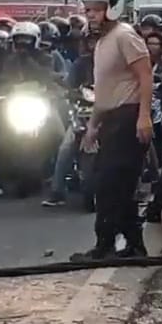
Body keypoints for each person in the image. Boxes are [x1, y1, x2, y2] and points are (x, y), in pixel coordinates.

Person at [72, 0, 153, 260]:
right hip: (111, 119)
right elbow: (103, 90)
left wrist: (144, 116)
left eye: (95, 10)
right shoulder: (103, 42)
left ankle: (110, 245)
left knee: (113, 184)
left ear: (112, 8)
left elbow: (145, 76)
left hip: (128, 117)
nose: (90, 15)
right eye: (88, 10)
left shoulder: (125, 36)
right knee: (111, 185)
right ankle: (127, 245)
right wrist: (93, 125)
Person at [43, 34, 95, 208]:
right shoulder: (81, 63)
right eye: (91, 41)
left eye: (98, 40)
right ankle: (57, 192)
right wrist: (69, 91)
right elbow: (68, 84)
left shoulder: (115, 63)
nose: (94, 44)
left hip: (110, 113)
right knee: (66, 148)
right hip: (84, 113)